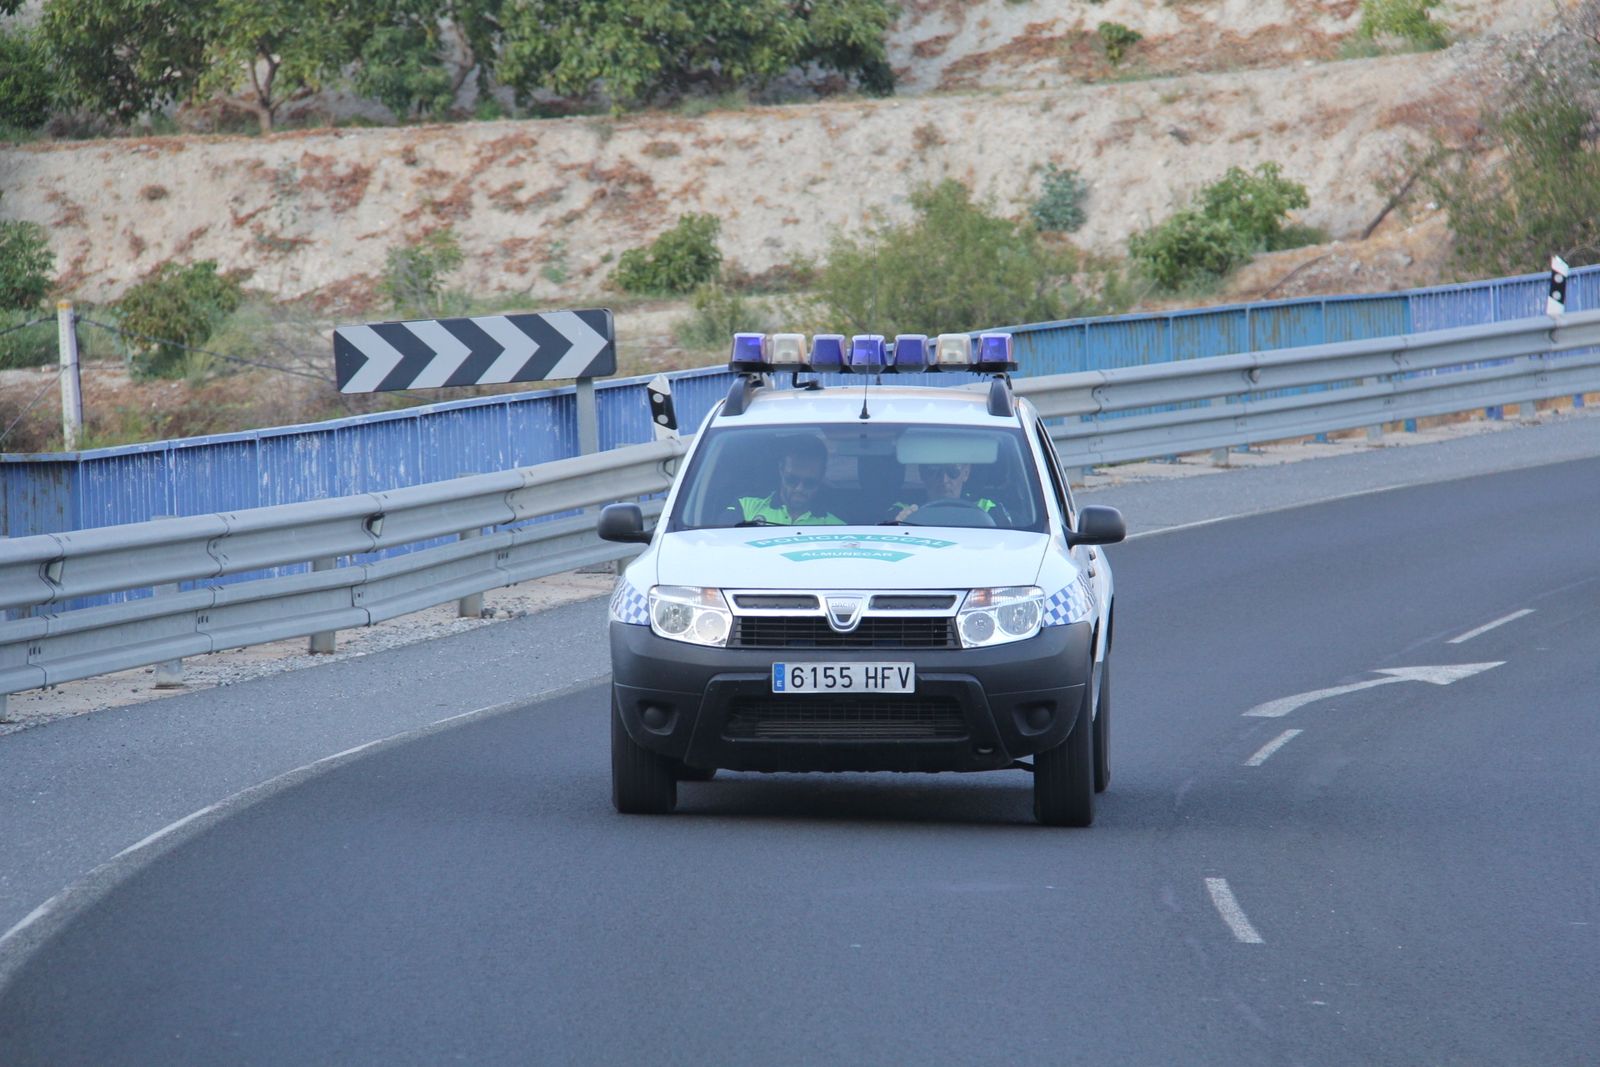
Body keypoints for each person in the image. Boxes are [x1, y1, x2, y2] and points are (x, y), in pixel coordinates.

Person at [732, 436, 844, 525]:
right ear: (781, 469)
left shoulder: (838, 524)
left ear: (821, 476)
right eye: (792, 480)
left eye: (810, 483)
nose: (799, 489)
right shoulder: (747, 505)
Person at [892, 462, 1007, 523]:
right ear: (923, 474)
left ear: (966, 473)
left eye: (953, 471)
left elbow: (1010, 539)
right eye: (934, 471)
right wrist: (897, 525)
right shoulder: (902, 510)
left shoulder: (989, 509)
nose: (944, 480)